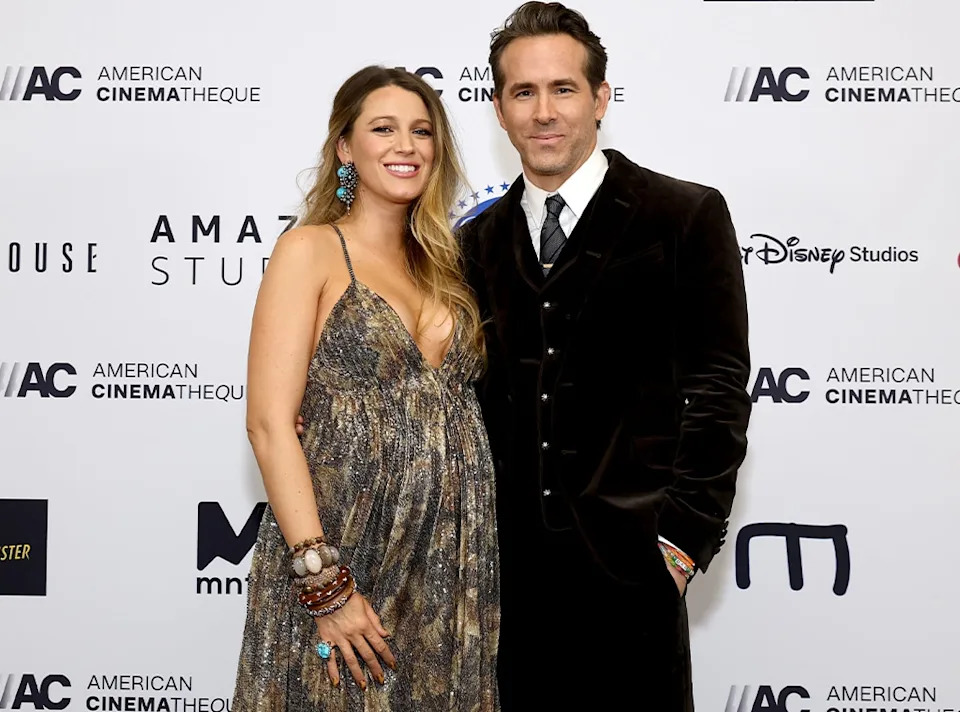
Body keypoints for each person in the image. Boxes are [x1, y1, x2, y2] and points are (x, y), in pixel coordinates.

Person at [458, 3, 752, 709]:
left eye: (563, 89)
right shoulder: (473, 243)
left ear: (600, 98)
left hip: (635, 576)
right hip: (504, 589)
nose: (544, 112)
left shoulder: (683, 215)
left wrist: (682, 539)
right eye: (523, 92)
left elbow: (718, 385)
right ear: (499, 110)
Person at [233, 66, 500, 712]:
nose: (406, 146)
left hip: (448, 563)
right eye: (383, 129)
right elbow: (269, 426)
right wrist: (326, 586)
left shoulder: (449, 264)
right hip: (345, 548)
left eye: (422, 132)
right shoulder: (309, 250)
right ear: (345, 148)